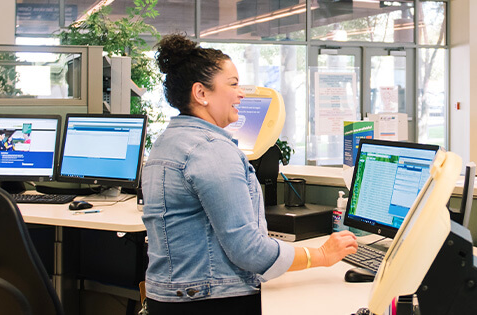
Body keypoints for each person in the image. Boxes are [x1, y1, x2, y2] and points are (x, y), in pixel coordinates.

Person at [141, 34, 358, 314]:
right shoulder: (211, 150)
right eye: (233, 84)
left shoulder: (167, 142)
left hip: (171, 297)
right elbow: (248, 250)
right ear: (201, 93)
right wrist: (321, 255)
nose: (241, 93)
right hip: (210, 300)